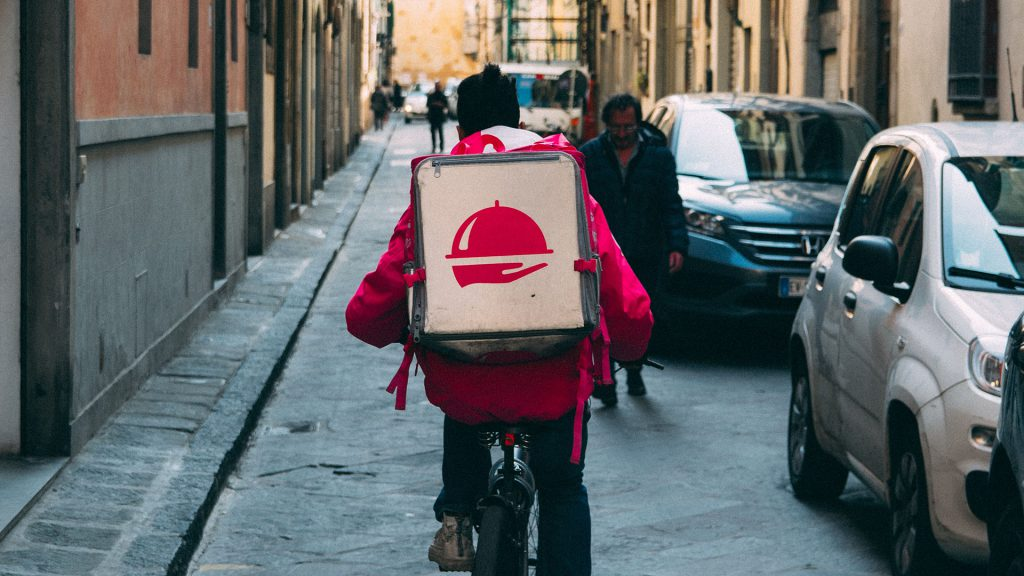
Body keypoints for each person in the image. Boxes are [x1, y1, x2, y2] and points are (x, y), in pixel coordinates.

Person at [346, 64, 652, 575]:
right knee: (562, 488)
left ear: (462, 130)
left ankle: (457, 517)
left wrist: (387, 326)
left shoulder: (437, 190)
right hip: (553, 382)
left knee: (461, 403)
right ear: (520, 120)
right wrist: (630, 345)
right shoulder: (564, 182)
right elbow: (620, 292)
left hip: (468, 387)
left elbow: (372, 307)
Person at [579, 93, 688, 406]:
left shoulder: (659, 157)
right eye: (616, 127)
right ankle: (607, 381)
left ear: (638, 124)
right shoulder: (591, 156)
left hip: (646, 249)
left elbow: (671, 203)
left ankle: (635, 369)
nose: (623, 133)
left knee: (639, 317)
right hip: (605, 254)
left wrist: (677, 244)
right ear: (607, 125)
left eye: (628, 127)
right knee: (606, 318)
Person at [427, 81, 449, 152]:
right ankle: (434, 147)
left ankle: (441, 147)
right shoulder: (431, 95)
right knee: (433, 133)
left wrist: (439, 104)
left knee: (440, 132)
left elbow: (446, 105)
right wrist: (435, 104)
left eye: (439, 86)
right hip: (433, 117)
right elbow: (428, 104)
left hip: (439, 117)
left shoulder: (442, 95)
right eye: (437, 86)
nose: (438, 88)